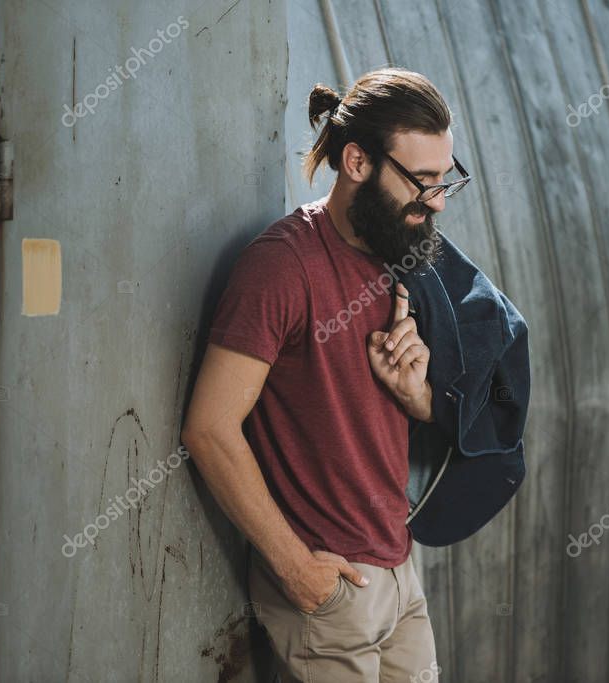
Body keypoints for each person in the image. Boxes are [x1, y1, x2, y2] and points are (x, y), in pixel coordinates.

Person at [181, 66, 470, 682]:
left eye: (446, 180)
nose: (438, 201)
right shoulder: (283, 267)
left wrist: (414, 391)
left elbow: (413, 415)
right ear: (358, 162)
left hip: (399, 576)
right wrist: (295, 569)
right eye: (422, 182)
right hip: (330, 591)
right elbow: (209, 429)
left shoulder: (400, 258)